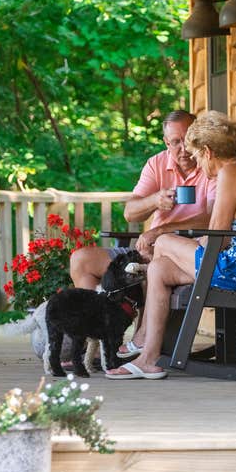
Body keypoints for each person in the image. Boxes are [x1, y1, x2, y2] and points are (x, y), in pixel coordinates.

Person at [105, 111, 236, 379]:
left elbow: (219, 239)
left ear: (208, 151)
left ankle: (142, 335)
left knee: (163, 241)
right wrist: (194, 243)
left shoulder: (229, 174)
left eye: (197, 155)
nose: (198, 163)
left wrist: (177, 241)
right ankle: (148, 358)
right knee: (160, 269)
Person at [68, 110, 215, 354]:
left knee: (152, 258)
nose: (183, 148)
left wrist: (159, 231)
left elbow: (211, 217)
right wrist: (155, 200)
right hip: (148, 248)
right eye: (175, 142)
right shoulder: (157, 164)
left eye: (187, 139)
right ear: (167, 143)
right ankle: (91, 340)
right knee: (81, 260)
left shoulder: (209, 164)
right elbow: (130, 213)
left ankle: (139, 342)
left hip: (183, 253)